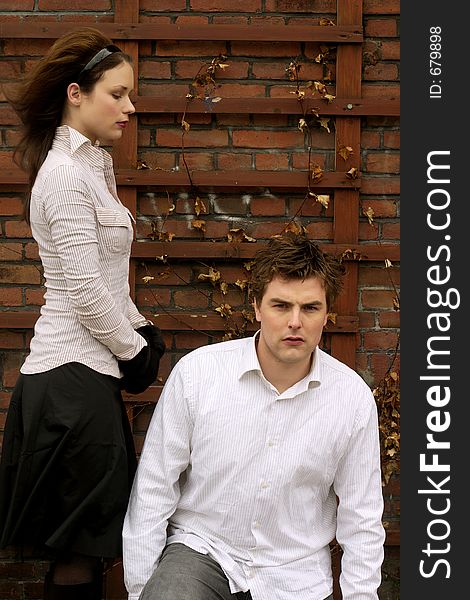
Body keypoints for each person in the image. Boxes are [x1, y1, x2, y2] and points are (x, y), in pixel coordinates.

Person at [122, 232, 385, 600]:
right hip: (203, 553)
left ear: (326, 314)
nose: (295, 321)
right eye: (281, 306)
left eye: (310, 308)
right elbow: (154, 487)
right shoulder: (199, 374)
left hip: (295, 573)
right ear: (257, 307)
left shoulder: (351, 399)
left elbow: (362, 517)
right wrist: (142, 591)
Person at [0, 27, 165, 600]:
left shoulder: (93, 165)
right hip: (69, 380)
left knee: (87, 553)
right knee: (79, 555)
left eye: (130, 94)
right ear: (77, 93)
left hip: (87, 377)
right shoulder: (65, 175)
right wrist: (134, 349)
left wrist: (140, 325)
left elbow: (107, 280)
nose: (129, 106)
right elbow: (83, 292)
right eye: (117, 94)